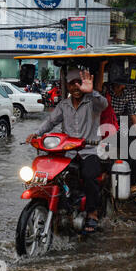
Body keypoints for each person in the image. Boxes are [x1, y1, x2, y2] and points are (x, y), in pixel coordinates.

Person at [26, 69, 108, 233]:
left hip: (89, 150)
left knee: (89, 176)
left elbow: (104, 104)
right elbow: (50, 122)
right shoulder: (64, 105)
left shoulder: (93, 102)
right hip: (68, 152)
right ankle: (58, 207)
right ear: (68, 86)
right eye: (72, 84)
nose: (76, 87)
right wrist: (36, 134)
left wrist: (91, 91)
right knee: (52, 175)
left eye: (79, 83)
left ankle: (92, 214)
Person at [95, 61, 136, 203]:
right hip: (101, 127)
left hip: (119, 125)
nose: (120, 86)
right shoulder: (105, 88)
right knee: (128, 147)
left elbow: (134, 114)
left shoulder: (129, 90)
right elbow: (98, 89)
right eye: (118, 84)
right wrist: (102, 66)